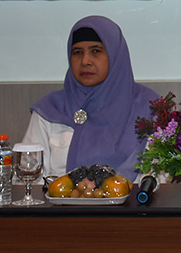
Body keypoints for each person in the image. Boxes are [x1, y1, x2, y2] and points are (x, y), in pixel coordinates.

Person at [22, 15, 158, 181]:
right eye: (77, 52)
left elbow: (157, 179)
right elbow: (27, 180)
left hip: (134, 206)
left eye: (96, 51)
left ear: (115, 55)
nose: (85, 61)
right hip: (59, 205)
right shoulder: (50, 109)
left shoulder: (149, 108)